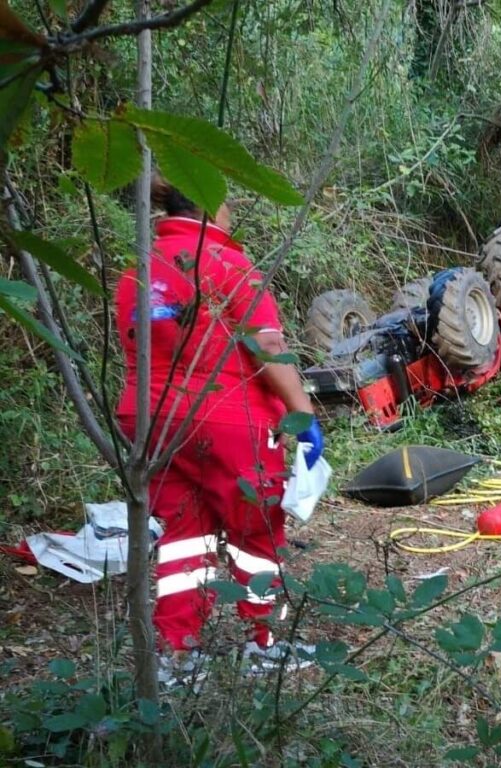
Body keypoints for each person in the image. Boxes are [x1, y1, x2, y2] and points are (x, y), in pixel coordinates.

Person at [115, 178, 323, 679]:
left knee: (185, 533)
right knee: (257, 528)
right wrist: (305, 418)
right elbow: (267, 349)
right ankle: (267, 642)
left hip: (150, 420)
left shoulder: (137, 273)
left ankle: (175, 651)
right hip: (228, 418)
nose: (232, 217)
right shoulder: (228, 265)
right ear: (213, 209)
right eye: (229, 207)